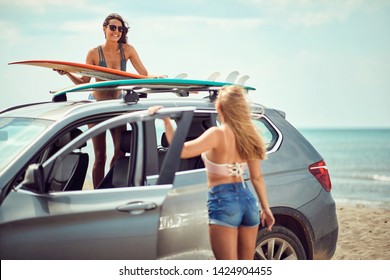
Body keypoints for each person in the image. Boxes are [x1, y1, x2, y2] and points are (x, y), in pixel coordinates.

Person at [148, 85, 275, 260]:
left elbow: (181, 150)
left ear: (219, 107)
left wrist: (167, 121)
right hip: (249, 202)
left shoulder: (216, 134)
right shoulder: (249, 135)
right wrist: (266, 208)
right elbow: (256, 177)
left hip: (224, 201)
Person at [55, 13, 149, 187]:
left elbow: (143, 75)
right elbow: (84, 82)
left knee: (120, 152)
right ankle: (98, 192)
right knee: (100, 156)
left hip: (117, 105)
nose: (116, 32)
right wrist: (67, 72)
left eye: (120, 29)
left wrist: (153, 78)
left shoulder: (127, 50)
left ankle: (110, 186)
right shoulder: (94, 53)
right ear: (104, 29)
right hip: (97, 107)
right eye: (112, 27)